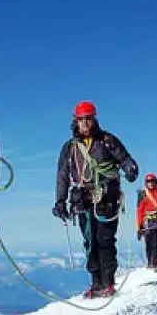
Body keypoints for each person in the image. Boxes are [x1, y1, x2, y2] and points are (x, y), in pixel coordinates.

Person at [53, 101, 138, 297]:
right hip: (82, 200)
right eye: (81, 119)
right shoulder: (70, 148)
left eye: (88, 118)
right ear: (76, 121)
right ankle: (96, 283)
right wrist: (60, 201)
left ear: (94, 119)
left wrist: (130, 168)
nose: (85, 123)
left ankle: (108, 283)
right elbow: (62, 175)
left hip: (107, 198)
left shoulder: (107, 141)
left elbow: (124, 159)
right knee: (89, 241)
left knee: (105, 240)